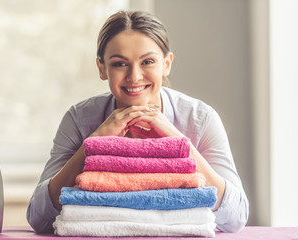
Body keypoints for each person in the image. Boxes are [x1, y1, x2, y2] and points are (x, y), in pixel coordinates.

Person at [26, 10, 249, 234]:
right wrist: (94, 144)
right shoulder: (79, 120)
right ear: (102, 68)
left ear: (166, 64)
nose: (134, 76)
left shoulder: (200, 119)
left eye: (148, 61)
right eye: (120, 64)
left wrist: (180, 145)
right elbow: (38, 216)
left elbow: (236, 217)